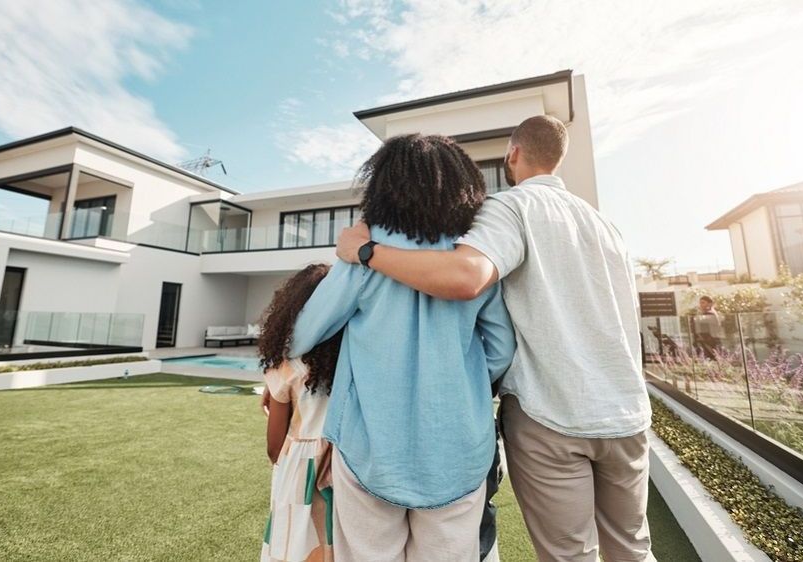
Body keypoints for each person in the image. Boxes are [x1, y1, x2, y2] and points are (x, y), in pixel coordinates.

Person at [335, 115, 654, 561]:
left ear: (513, 154)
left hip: (554, 413)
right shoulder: (605, 225)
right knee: (633, 549)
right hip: (627, 414)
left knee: (572, 555)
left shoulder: (510, 206)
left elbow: (467, 276)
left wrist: (364, 251)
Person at [288, 134, 516, 562]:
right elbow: (501, 348)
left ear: (382, 184)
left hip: (369, 446)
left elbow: (302, 334)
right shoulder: (470, 256)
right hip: (459, 450)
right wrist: (460, 379)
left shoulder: (363, 256)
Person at [259, 264, 342, 562]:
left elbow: (274, 447)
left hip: (299, 466)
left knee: (293, 544)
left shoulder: (287, 365)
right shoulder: (354, 355)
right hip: (346, 462)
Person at [693, 295, 723, 359]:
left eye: (703, 302)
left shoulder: (710, 314)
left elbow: (697, 320)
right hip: (706, 340)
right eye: (700, 303)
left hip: (710, 341)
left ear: (709, 304)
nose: (700, 305)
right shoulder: (706, 313)